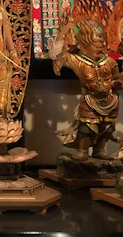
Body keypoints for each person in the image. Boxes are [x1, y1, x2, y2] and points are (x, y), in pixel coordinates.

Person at [51, 20, 119, 160]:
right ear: (83, 46)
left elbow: (117, 79)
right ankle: (82, 150)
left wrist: (118, 83)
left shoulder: (110, 62)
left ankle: (100, 150)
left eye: (101, 45)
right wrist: (64, 32)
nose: (99, 48)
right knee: (87, 125)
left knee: (107, 126)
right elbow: (55, 54)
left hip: (109, 100)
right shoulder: (77, 61)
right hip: (89, 99)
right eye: (95, 46)